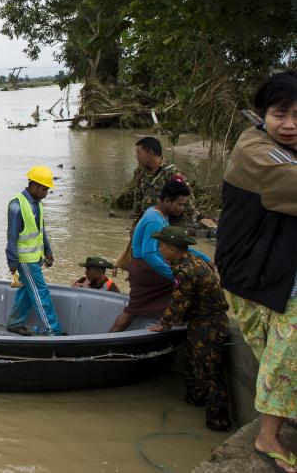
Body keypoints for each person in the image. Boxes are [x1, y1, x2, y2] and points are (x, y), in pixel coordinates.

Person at [215, 71, 297, 470]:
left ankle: (276, 423)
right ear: (263, 113)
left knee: (278, 352)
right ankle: (267, 437)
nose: (290, 124)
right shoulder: (258, 154)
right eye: (281, 114)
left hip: (270, 267)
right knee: (283, 353)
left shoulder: (273, 143)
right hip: (254, 272)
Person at [149, 226, 231, 431]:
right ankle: (194, 400)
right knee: (193, 363)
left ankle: (218, 422)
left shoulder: (186, 270)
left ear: (173, 250)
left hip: (209, 324)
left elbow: (179, 303)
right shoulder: (193, 262)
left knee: (209, 371)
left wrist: (164, 324)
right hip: (202, 321)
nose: (159, 249)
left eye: (161, 246)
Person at [109, 180, 211, 332]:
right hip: (147, 271)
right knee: (185, 286)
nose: (182, 208)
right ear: (167, 200)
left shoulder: (158, 213)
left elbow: (176, 246)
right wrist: (173, 276)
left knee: (133, 311)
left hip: (146, 268)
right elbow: (149, 254)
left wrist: (205, 258)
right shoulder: (155, 220)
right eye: (180, 204)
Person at [5, 166, 65, 336]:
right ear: (34, 186)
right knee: (41, 294)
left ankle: (15, 324)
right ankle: (54, 331)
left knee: (26, 292)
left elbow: (40, 230)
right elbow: (12, 238)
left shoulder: (37, 204)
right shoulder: (17, 206)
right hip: (26, 260)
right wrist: (12, 263)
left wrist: (48, 249)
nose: (46, 192)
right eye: (45, 189)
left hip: (35, 257)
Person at [131, 136, 197, 226]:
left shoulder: (173, 173)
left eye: (139, 153)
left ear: (150, 153)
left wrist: (175, 232)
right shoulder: (140, 171)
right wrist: (135, 225)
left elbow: (189, 207)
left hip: (166, 226)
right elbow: (138, 200)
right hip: (147, 223)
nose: (136, 157)